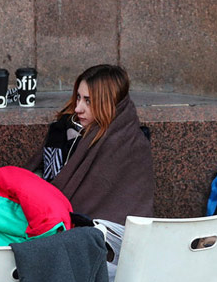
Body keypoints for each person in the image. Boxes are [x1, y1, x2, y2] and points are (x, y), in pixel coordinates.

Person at [25, 64, 155, 225]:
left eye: (88, 101)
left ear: (109, 103)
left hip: (101, 240)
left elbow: (128, 211)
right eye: (78, 98)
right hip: (50, 220)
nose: (78, 108)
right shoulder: (63, 130)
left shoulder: (130, 145)